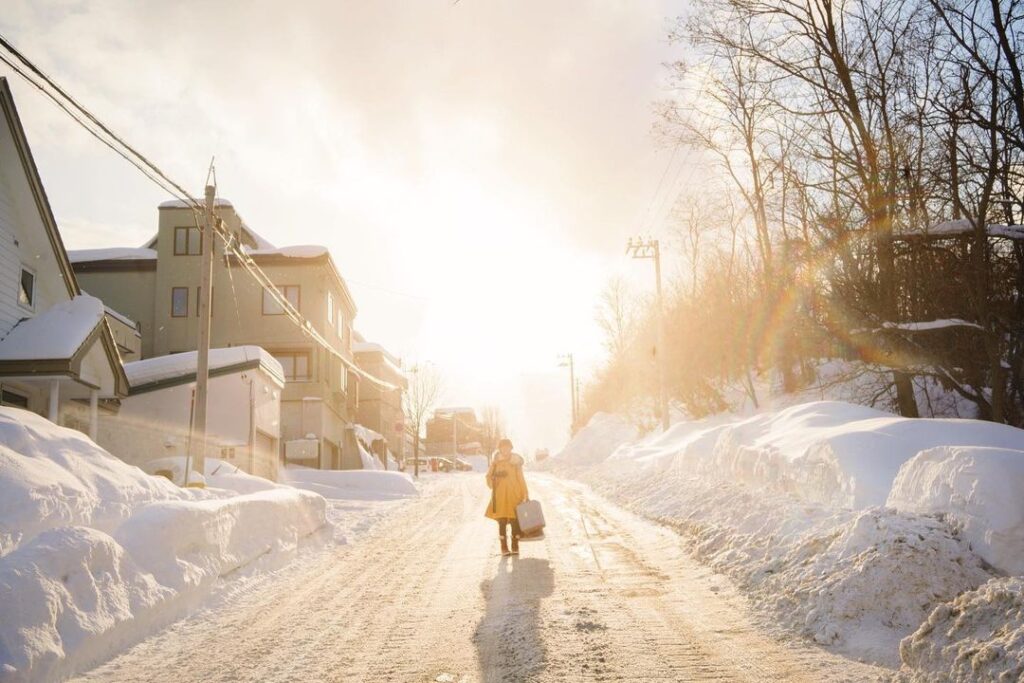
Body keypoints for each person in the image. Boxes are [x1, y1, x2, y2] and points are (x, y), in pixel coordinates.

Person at [485, 438, 529, 556]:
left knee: (515, 522)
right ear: (499, 449)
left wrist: (525, 494)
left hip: (515, 495)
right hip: (499, 497)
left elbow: (521, 479)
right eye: (503, 448)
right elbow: (488, 478)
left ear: (511, 448)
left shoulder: (515, 464)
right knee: (502, 522)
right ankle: (504, 547)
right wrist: (495, 478)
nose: (505, 450)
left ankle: (515, 546)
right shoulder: (495, 464)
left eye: (507, 447)